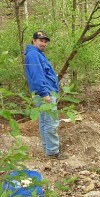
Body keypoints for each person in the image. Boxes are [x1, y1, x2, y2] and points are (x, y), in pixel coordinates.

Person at [24, 31, 68, 160]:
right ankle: (53, 152)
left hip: (44, 92)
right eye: (41, 40)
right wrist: (45, 93)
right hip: (45, 93)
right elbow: (37, 76)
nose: (43, 43)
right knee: (51, 122)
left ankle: (48, 148)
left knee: (44, 121)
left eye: (45, 41)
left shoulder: (37, 54)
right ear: (34, 40)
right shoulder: (33, 55)